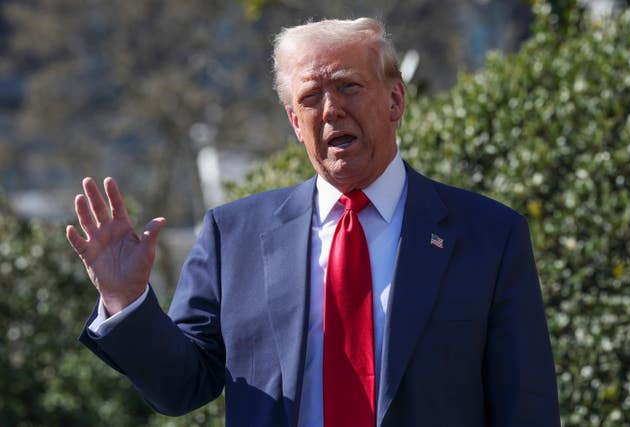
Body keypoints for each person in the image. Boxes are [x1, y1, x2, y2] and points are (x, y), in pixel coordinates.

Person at [67, 18, 561, 427]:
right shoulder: (233, 235)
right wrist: (127, 300)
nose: (331, 110)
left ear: (395, 101)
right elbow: (181, 387)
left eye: (349, 86)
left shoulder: (489, 236)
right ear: (292, 121)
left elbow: (527, 407)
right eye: (310, 98)